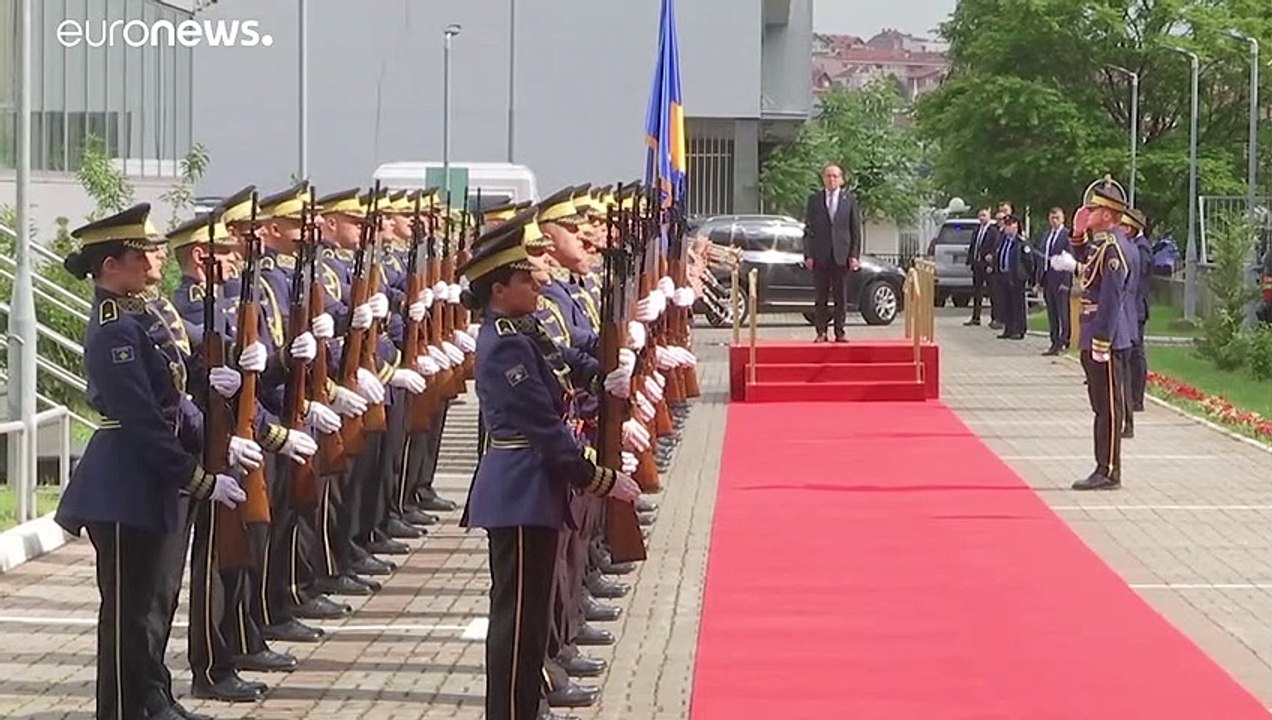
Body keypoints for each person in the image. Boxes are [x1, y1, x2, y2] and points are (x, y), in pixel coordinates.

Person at [54, 203, 248, 720]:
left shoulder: (139, 317)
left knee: (155, 604)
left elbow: (173, 392)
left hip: (150, 480)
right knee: (129, 611)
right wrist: (198, 478)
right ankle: (123, 708)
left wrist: (212, 393)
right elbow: (141, 418)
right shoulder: (114, 327)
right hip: (124, 482)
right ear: (110, 265)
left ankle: (153, 696)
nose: (152, 262)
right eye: (139, 256)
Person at [457, 216, 640, 720]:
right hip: (519, 488)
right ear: (498, 291)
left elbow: (561, 358)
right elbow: (544, 430)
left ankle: (525, 709)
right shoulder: (504, 344)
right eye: (522, 278)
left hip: (532, 489)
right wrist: (603, 480)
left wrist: (604, 379)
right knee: (516, 620)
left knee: (531, 615)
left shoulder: (523, 330)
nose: (535, 282)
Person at [1065, 180, 1133, 491]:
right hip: (1092, 334)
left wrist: (1101, 341)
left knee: (1108, 407)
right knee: (1099, 406)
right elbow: (1085, 260)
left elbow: (1110, 299)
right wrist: (1077, 232)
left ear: (1107, 214)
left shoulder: (1115, 249)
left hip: (1105, 338)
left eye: (1093, 209)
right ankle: (1102, 465)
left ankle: (1108, 470)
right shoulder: (1102, 245)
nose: (1087, 212)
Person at [801, 163, 862, 343]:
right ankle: (821, 332)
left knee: (840, 297)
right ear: (823, 179)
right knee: (820, 296)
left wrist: (854, 255)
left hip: (841, 256)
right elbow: (808, 230)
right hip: (820, 255)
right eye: (828, 176)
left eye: (835, 176)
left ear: (841, 179)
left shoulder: (849, 200)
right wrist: (808, 255)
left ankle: (840, 332)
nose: (831, 179)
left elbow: (855, 230)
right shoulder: (814, 200)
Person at [1037, 207, 1073, 354]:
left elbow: (1069, 259)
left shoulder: (1067, 235)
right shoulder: (1047, 235)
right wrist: (1039, 280)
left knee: (1062, 312)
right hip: (1048, 278)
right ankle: (1054, 341)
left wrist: (1066, 281)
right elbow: (1042, 257)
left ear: (1063, 219)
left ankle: (1064, 340)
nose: (1054, 220)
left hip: (1061, 278)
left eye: (1057, 217)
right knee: (1052, 312)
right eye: (1052, 218)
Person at [995, 215, 1031, 340]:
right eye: (1006, 224)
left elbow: (1028, 261)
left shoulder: (1021, 242)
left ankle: (1019, 329)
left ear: (1016, 226)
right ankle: (1008, 329)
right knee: (1006, 304)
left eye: (1010, 224)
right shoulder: (1003, 240)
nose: (1007, 227)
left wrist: (1024, 275)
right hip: (1004, 276)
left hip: (1016, 278)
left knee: (1017, 305)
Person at [964, 207, 1000, 327]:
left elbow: (995, 247)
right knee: (977, 291)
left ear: (989, 216)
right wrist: (970, 260)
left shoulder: (993, 230)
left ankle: (995, 317)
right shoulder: (977, 230)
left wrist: (991, 262)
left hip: (987, 265)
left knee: (992, 291)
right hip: (977, 264)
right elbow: (973, 245)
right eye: (980, 215)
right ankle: (976, 317)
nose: (982, 218)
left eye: (984, 215)